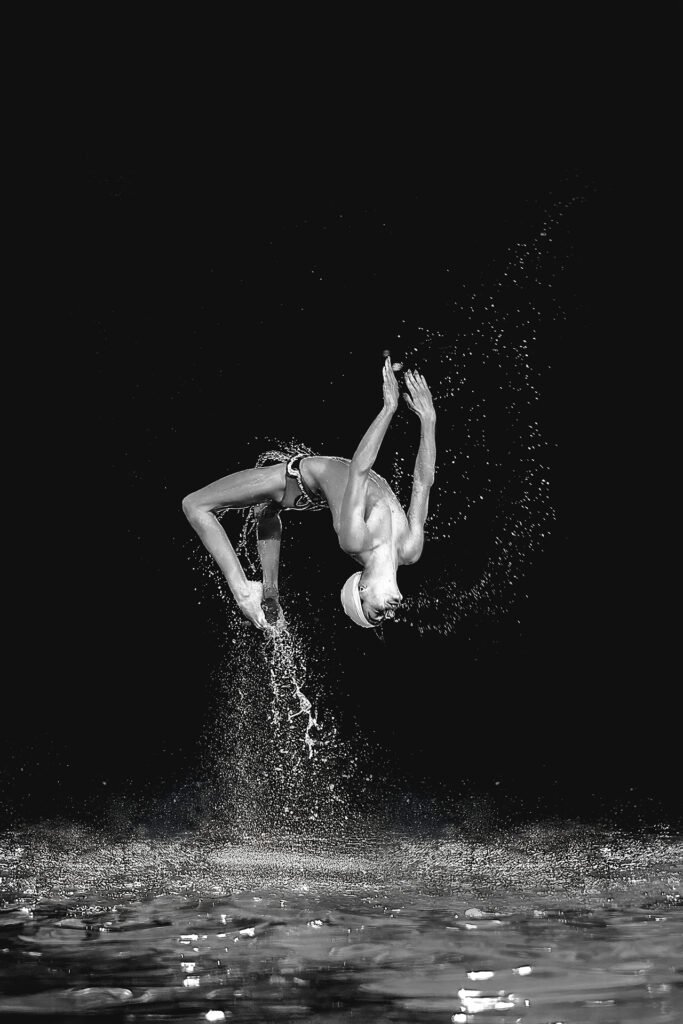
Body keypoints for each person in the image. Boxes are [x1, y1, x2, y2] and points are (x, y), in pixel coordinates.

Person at [182, 356, 436, 630]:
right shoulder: (410, 549)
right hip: (315, 492)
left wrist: (388, 409)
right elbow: (423, 483)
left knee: (194, 505)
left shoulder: (355, 541)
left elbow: (360, 470)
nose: (388, 615)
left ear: (361, 590)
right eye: (384, 618)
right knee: (266, 513)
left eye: (375, 614)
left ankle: (242, 591)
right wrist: (428, 420)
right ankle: (270, 592)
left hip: (292, 481)